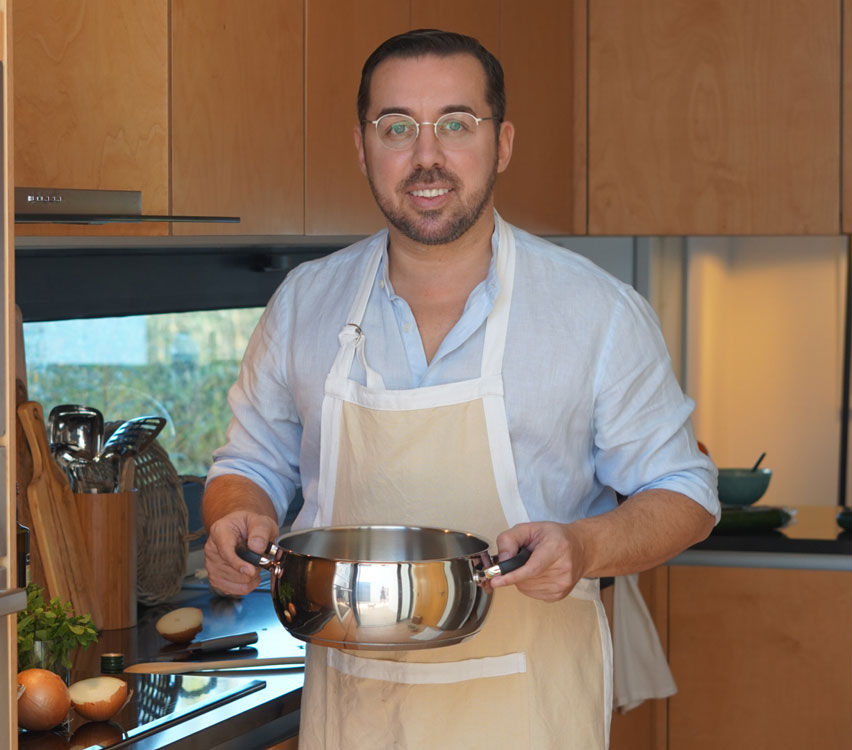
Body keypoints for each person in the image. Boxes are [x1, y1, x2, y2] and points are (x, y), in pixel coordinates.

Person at [202, 28, 718, 748]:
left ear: (500, 143)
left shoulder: (596, 311)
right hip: (352, 715)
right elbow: (248, 464)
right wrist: (237, 514)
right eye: (396, 127)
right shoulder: (303, 304)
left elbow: (684, 494)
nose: (426, 156)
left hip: (527, 715)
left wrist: (584, 546)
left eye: (455, 124)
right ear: (362, 147)